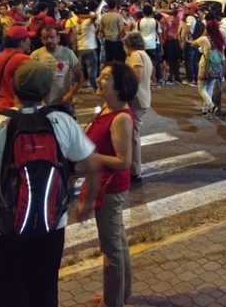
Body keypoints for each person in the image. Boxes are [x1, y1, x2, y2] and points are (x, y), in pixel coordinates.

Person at [0, 61, 100, 307]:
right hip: (50, 225)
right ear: (47, 91)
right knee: (44, 291)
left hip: (2, 229)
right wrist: (86, 202)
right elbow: (94, 166)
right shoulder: (61, 122)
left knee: (9, 295)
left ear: (12, 86)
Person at [87, 62, 138, 307]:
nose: (99, 79)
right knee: (118, 242)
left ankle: (113, 302)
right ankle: (120, 294)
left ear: (119, 86)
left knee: (111, 251)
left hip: (110, 188)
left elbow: (124, 160)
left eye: (106, 77)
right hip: (105, 185)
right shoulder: (108, 108)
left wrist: (92, 158)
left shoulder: (121, 119)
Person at [30, 25, 84, 117]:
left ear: (58, 38)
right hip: (44, 104)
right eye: (45, 38)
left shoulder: (68, 53)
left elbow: (80, 76)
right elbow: (30, 79)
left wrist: (71, 94)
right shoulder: (35, 55)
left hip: (64, 103)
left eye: (52, 37)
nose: (49, 40)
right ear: (41, 39)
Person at [124, 31, 152, 182]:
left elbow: (136, 77)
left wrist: (126, 96)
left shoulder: (135, 55)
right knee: (133, 134)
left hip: (136, 100)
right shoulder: (144, 54)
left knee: (133, 136)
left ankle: (135, 171)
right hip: (141, 99)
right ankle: (133, 169)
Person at [0, 26, 32, 112]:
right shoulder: (23, 59)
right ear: (21, 42)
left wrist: (0, 97)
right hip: (17, 109)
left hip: (1, 107)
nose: (30, 42)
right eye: (28, 39)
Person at [192, 17, 225, 117]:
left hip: (205, 66)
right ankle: (205, 110)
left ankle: (210, 104)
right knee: (209, 88)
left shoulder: (204, 39)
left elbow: (193, 44)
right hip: (215, 67)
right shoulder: (220, 39)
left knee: (201, 88)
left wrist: (204, 34)